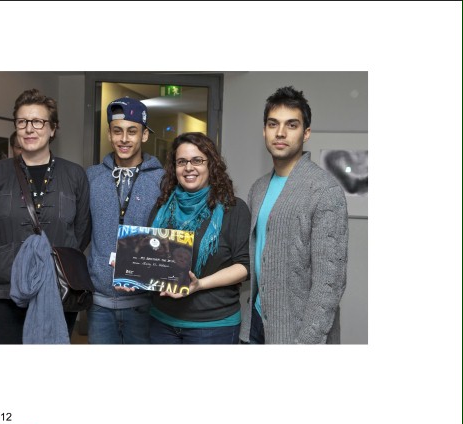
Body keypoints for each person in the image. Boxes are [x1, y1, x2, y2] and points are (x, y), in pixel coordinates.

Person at [0, 88, 91, 344]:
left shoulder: (74, 175)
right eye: (22, 122)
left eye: (38, 122)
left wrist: (53, 264)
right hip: (6, 289)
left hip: (61, 288)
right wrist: (5, 259)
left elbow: (82, 230)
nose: (29, 128)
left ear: (53, 129)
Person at [240, 86, 348, 344]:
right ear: (264, 131)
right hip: (256, 322)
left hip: (297, 333)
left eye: (291, 125)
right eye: (272, 124)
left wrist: (306, 342)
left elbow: (330, 284)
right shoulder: (258, 188)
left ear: (306, 133)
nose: (280, 133)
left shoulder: (324, 190)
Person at [148, 132, 250, 344]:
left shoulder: (233, 208)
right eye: (181, 161)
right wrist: (130, 273)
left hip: (213, 325)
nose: (188, 168)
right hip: (161, 321)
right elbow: (150, 258)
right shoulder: (162, 208)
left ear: (211, 165)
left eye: (197, 160)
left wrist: (199, 284)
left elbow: (244, 267)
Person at [86, 97, 164, 344]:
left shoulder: (163, 180)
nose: (124, 139)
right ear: (109, 134)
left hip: (145, 303)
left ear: (144, 135)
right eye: (117, 131)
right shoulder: (91, 177)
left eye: (132, 131)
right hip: (99, 301)